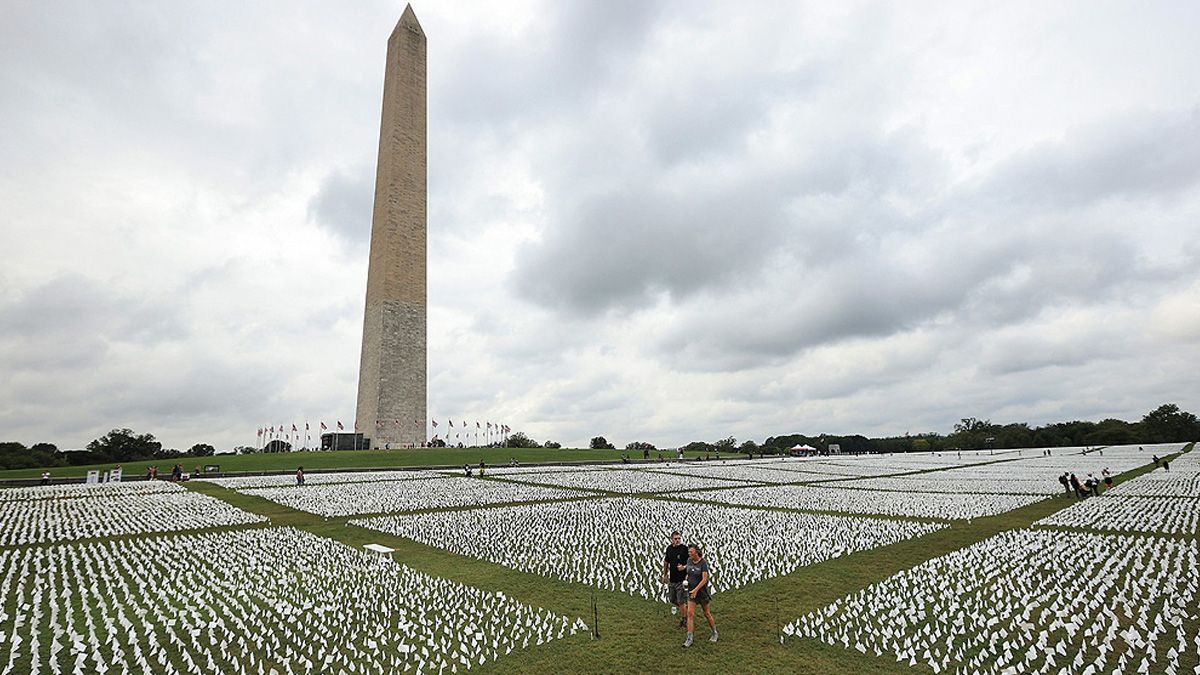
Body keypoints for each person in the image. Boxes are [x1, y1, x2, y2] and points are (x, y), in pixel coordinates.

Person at [683, 544, 717, 647]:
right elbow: (688, 572)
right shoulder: (689, 561)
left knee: (706, 613)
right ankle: (689, 638)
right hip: (691, 592)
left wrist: (696, 590)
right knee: (690, 614)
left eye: (691, 552)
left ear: (696, 553)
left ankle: (714, 632)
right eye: (689, 552)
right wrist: (686, 580)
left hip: (701, 593)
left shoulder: (703, 563)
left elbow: (704, 579)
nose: (689, 554)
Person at [661, 531, 689, 628]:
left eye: (679, 538)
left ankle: (684, 620)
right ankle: (686, 610)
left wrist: (684, 567)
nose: (677, 540)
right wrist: (665, 575)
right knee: (672, 599)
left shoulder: (684, 549)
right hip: (672, 580)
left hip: (681, 580)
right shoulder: (669, 549)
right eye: (675, 539)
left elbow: (691, 562)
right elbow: (666, 562)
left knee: (680, 601)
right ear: (672, 539)